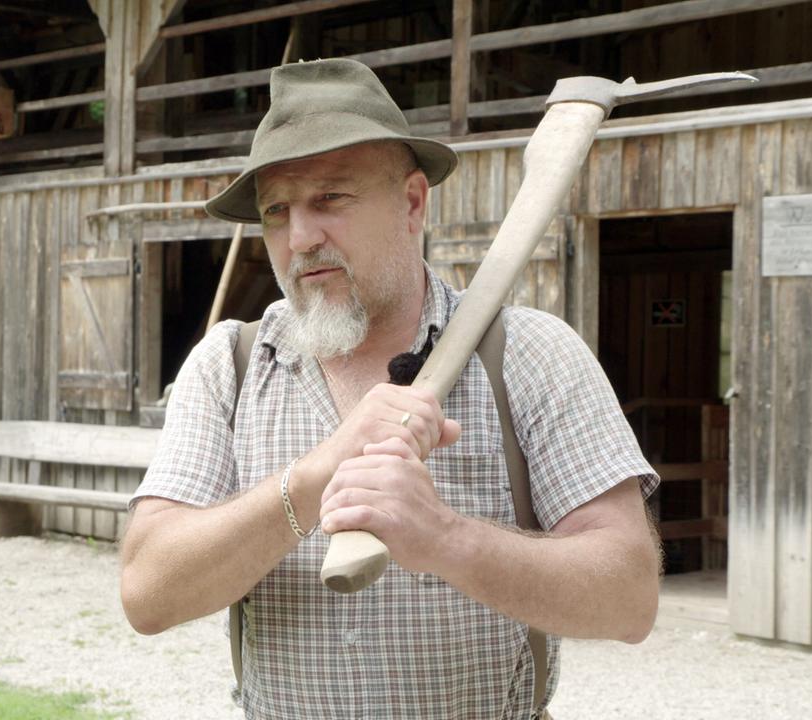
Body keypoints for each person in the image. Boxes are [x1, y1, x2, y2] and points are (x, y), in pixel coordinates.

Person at [119, 57, 660, 720]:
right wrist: (315, 478)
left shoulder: (528, 355)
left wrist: (445, 538)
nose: (300, 238)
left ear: (411, 202)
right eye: (276, 210)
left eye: (330, 198)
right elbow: (147, 593)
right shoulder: (228, 366)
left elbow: (629, 597)